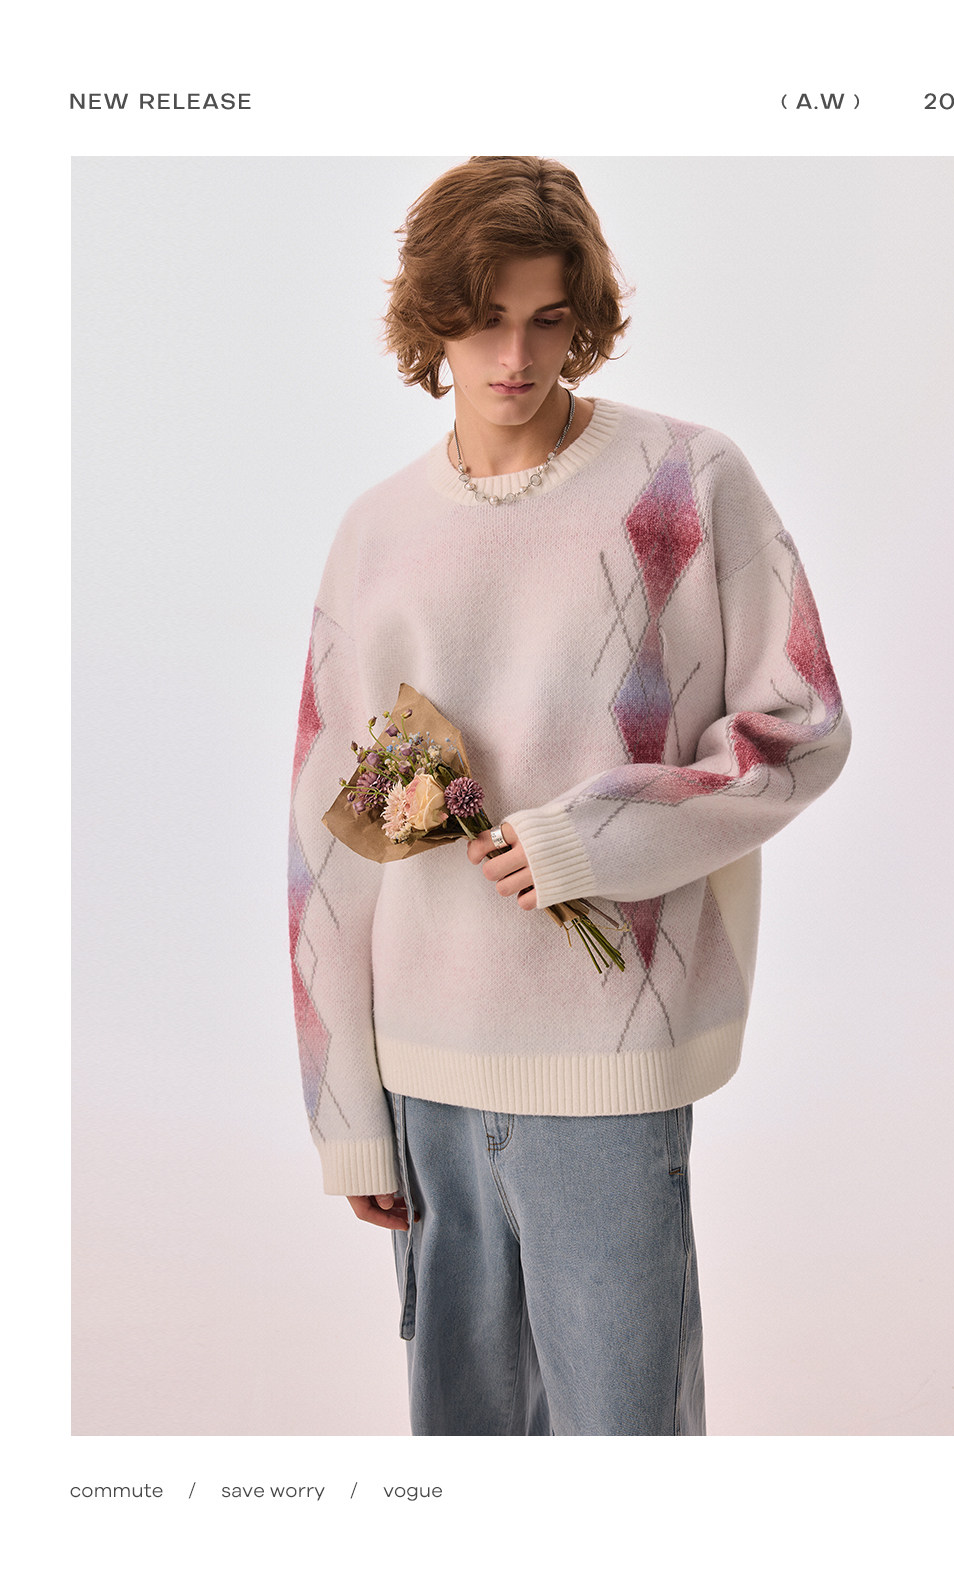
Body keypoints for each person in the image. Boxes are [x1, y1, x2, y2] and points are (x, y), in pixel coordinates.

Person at [288, 156, 851, 1436]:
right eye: (483, 319)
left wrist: (586, 839)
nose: (515, 356)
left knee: (623, 1446)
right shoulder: (378, 533)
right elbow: (324, 834)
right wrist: (346, 1112)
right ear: (429, 318)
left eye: (547, 318)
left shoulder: (684, 481)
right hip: (423, 1074)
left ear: (582, 314)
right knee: (465, 1452)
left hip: (610, 1062)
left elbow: (801, 726)